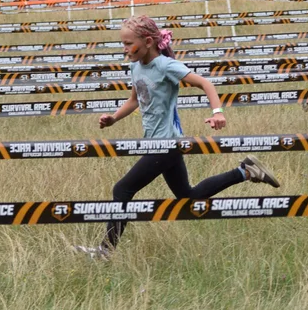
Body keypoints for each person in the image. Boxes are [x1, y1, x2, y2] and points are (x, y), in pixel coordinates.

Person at [75, 15, 281, 260]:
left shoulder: (165, 66)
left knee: (122, 189)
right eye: (123, 43)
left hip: (168, 144)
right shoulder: (135, 66)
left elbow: (205, 83)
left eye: (129, 43)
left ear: (148, 41)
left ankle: (105, 252)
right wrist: (114, 118)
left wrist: (217, 113)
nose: (125, 49)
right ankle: (245, 171)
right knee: (188, 197)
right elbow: (134, 100)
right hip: (155, 142)